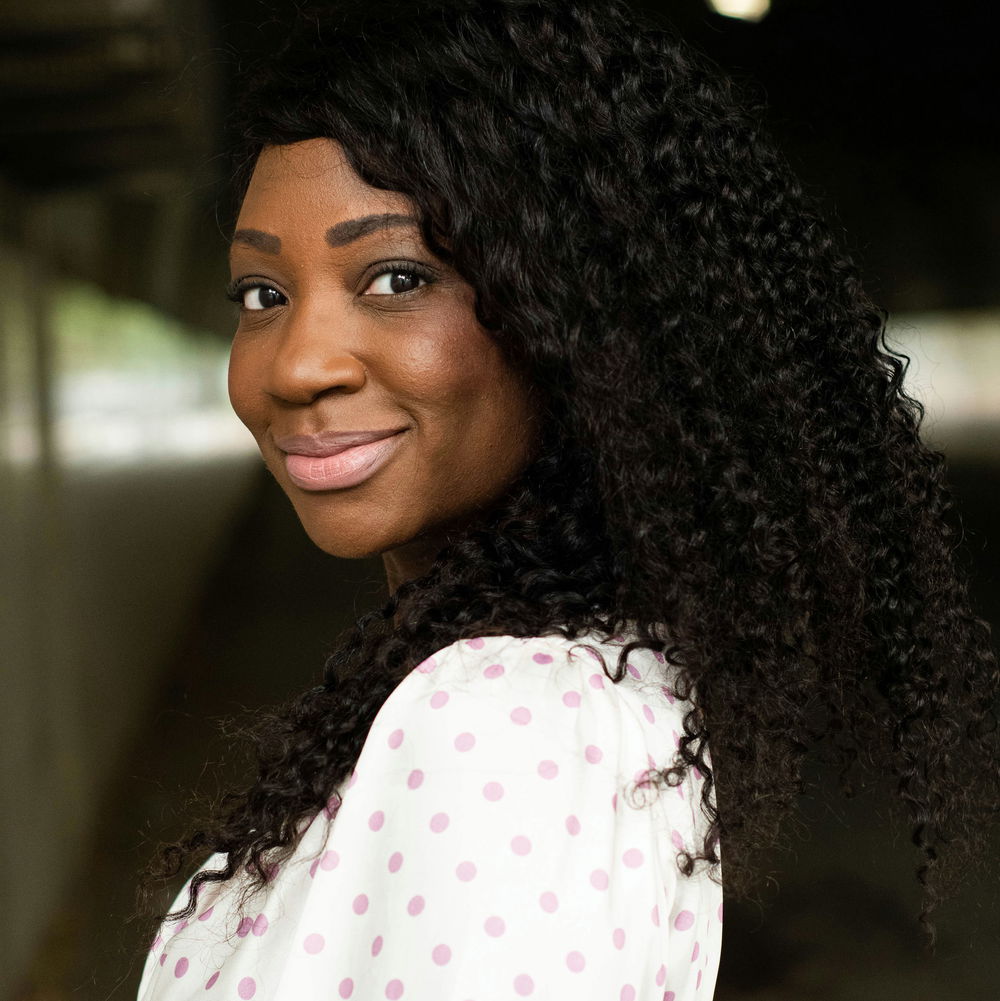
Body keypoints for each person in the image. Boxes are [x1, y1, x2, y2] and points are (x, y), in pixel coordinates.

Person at [136, 0, 1000, 998]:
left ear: (573, 316)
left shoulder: (498, 720)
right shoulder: (580, 678)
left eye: (396, 277)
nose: (295, 366)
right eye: (261, 294)